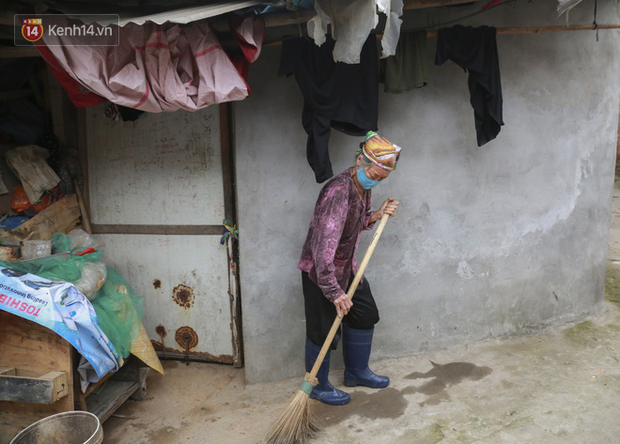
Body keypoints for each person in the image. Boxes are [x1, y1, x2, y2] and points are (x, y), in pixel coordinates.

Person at [298, 130, 401, 405]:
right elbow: (322, 253)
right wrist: (334, 292)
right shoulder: (337, 192)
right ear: (360, 162)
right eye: (375, 176)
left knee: (365, 313)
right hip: (321, 274)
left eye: (382, 180)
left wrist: (376, 215)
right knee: (322, 330)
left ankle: (356, 372)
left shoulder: (361, 186)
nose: (376, 183)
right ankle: (318, 386)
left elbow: (353, 224)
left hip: (347, 268)